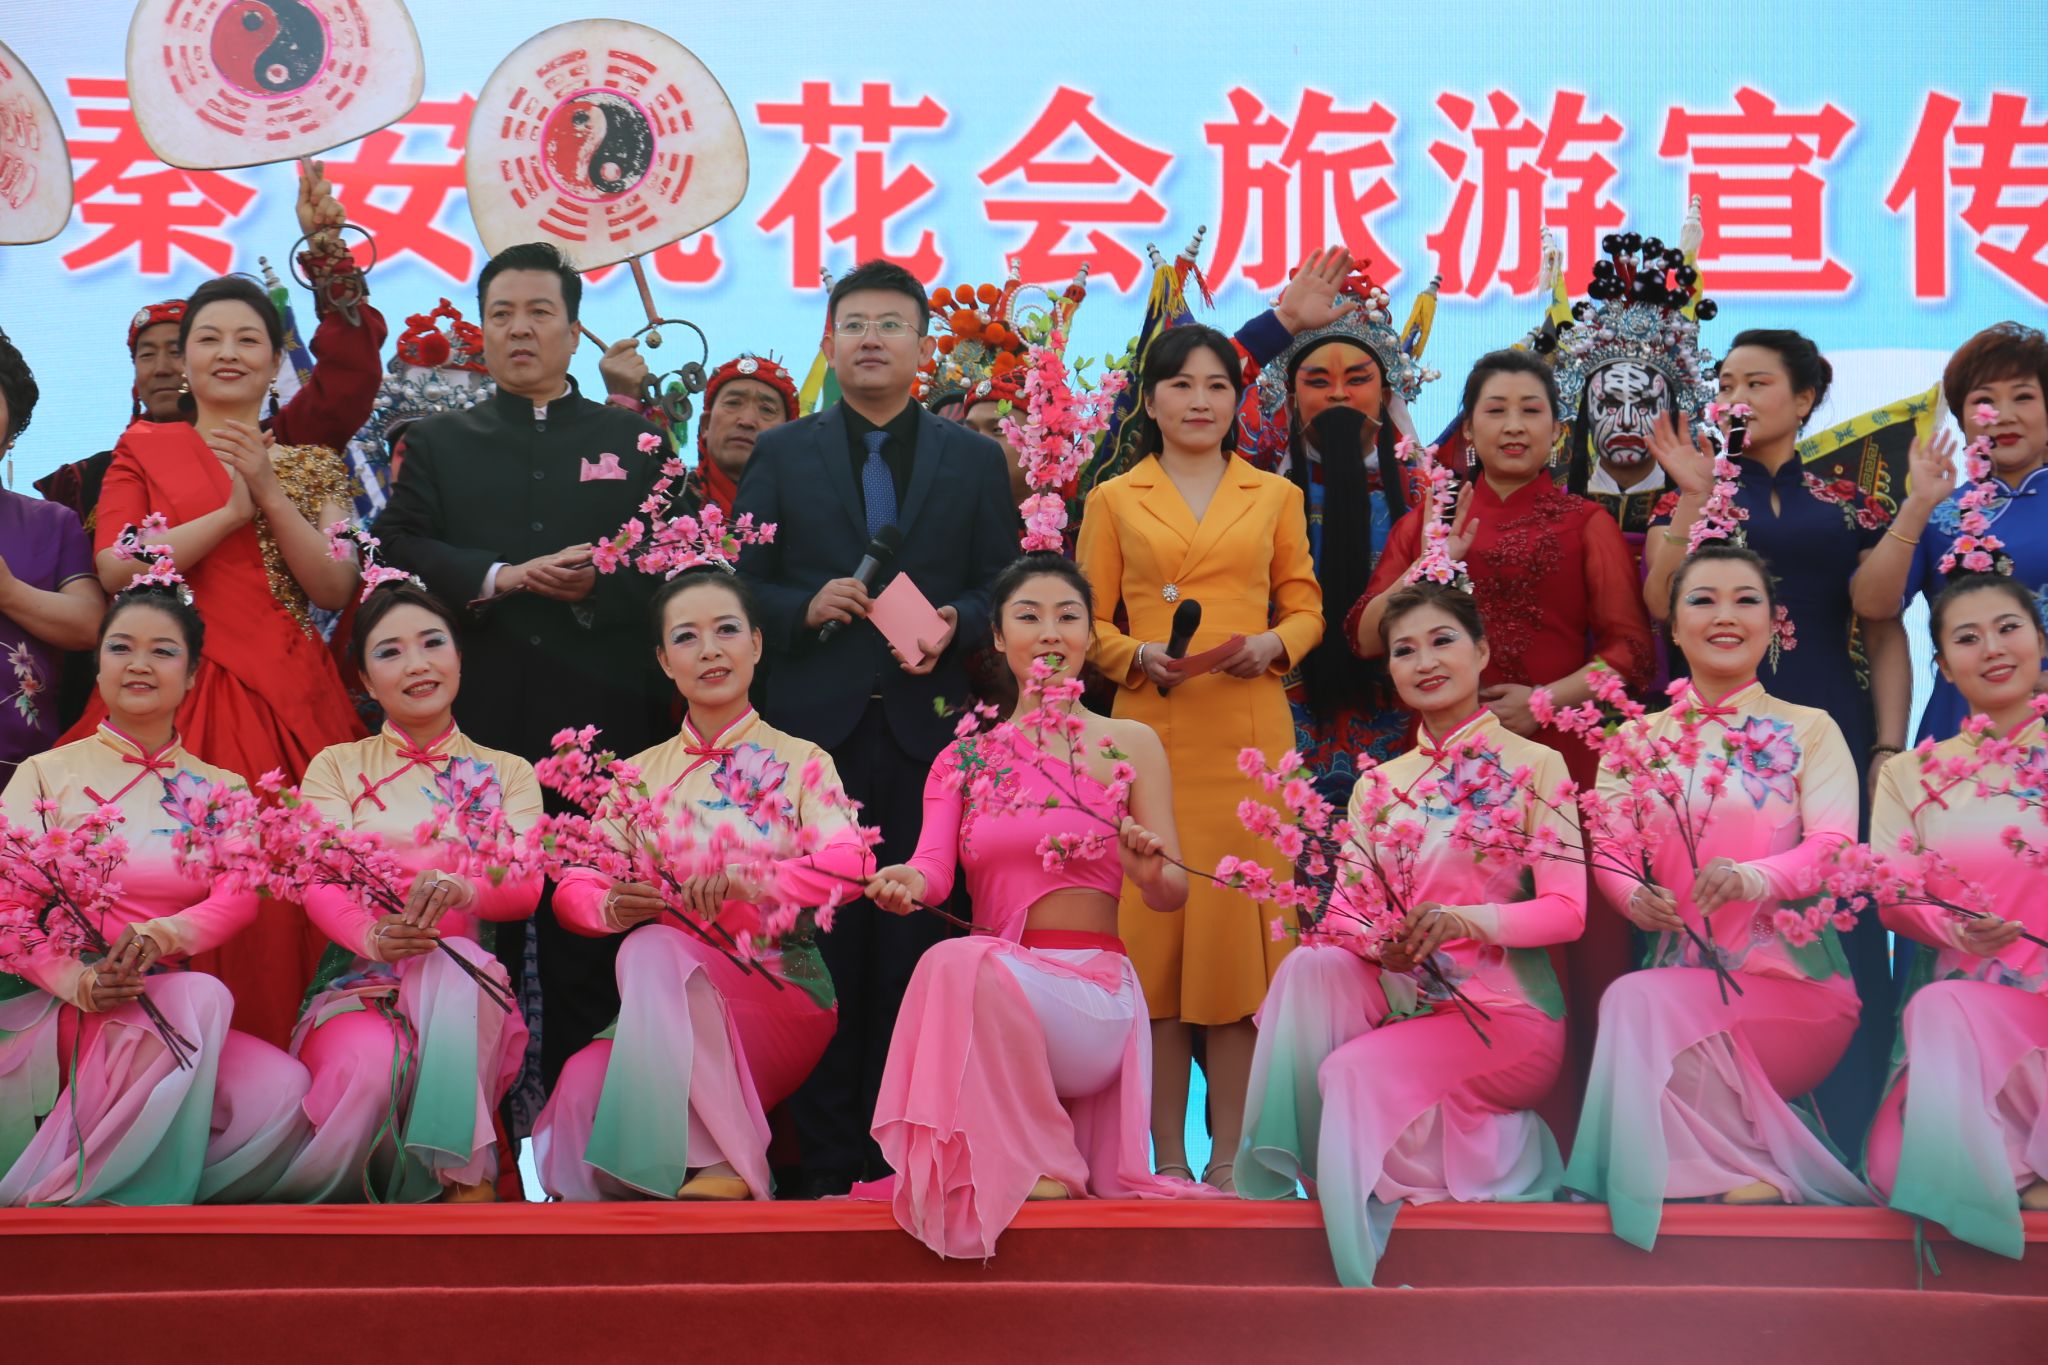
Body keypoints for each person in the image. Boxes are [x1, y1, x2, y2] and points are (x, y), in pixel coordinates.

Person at [735, 258, 1017, 1197]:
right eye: (854, 323)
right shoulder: (783, 453)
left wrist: (956, 623)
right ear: (828, 339)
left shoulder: (971, 459)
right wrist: (801, 606)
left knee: (913, 951)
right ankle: (821, 1170)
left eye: (891, 324)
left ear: (922, 346)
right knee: (819, 951)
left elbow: (1002, 585)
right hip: (809, 739)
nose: (870, 339)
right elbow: (739, 584)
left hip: (927, 739)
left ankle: (906, 1162)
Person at [376, 241, 670, 1089]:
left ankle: (585, 1126)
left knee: (594, 930)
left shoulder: (636, 440)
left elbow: (671, 560)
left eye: (540, 312)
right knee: (469, 937)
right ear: (482, 329)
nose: (519, 329)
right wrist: (500, 576)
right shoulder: (440, 441)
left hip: (606, 721)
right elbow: (397, 542)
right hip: (478, 724)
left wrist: (598, 584)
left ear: (575, 332)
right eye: (501, 313)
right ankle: (475, 1136)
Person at [863, 553, 1216, 1256]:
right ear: (998, 637)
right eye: (1029, 616)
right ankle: (1022, 1159)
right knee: (958, 962)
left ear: (1089, 635)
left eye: (1067, 616)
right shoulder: (962, 758)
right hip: (1000, 986)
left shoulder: (1129, 743)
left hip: (1094, 999)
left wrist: (1149, 873)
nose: (1050, 631)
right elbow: (933, 869)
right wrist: (904, 880)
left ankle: (1045, 1161)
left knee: (958, 962)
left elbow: (1171, 892)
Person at [1238, 581, 1584, 1286]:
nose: (1425, 661)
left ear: (1481, 652)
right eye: (1404, 650)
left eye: (1442, 641)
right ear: (1390, 670)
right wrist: (1382, 944)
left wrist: (1464, 921)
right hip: (1413, 1004)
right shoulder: (1380, 784)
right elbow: (1346, 912)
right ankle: (1319, 1177)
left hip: (1506, 1015)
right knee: (1308, 967)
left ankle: (1353, 1272)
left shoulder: (1534, 764)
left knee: (1347, 1074)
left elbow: (1567, 911)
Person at [1350, 349, 1651, 1130]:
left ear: (1558, 428)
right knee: (1439, 930)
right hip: (1441, 766)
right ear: (1469, 427)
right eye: (1495, 409)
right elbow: (1365, 633)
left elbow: (1629, 652)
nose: (1514, 425)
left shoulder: (1586, 523)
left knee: (1577, 942)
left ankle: (1581, 1139)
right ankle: (1445, 1131)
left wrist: (1545, 702)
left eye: (1531, 410)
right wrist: (1426, 560)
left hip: (1558, 761)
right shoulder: (1431, 521)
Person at [77, 274, 365, 1049]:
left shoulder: (315, 465)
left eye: (248, 339)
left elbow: (336, 582)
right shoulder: (144, 448)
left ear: (275, 360)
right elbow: (117, 563)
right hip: (173, 689)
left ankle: (300, 1066)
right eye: (208, 338)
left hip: (291, 694)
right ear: (185, 361)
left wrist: (267, 489)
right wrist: (229, 512)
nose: (227, 352)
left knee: (294, 885)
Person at [1563, 545, 1873, 1250]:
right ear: (1673, 627)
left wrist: (1751, 878)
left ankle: (1748, 1161)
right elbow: (1611, 851)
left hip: (1793, 990)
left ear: (1775, 622)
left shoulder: (1810, 728)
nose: (1724, 615)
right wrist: (1633, 896)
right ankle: (1739, 1164)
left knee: (1641, 1001)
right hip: (1680, 986)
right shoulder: (1636, 740)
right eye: (1703, 600)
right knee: (1642, 1000)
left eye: (1745, 600)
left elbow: (1834, 847)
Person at [1642, 329, 1909, 1138]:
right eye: (1725, 383)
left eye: (1756, 383)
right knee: (1718, 905)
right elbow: (1657, 599)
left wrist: (1887, 745)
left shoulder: (1849, 502)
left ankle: (1850, 1126)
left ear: (1804, 398)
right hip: (1715, 739)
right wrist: (1694, 495)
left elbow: (1884, 628)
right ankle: (1718, 1128)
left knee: (1839, 909)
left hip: (1830, 723)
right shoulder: (1694, 491)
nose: (1736, 397)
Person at [1075, 322, 1324, 1190]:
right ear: (1150, 400)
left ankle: (1230, 1159)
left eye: (1218, 385)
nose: (1200, 400)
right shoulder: (1114, 497)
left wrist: (1274, 644)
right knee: (1155, 942)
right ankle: (1164, 1159)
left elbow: (1306, 606)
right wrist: (1133, 655)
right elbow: (1086, 622)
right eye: (1181, 384)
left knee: (1237, 941)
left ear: (1237, 401)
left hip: (1249, 735)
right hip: (1150, 729)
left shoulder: (1274, 494)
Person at [536, 567, 874, 1202]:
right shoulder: (636, 776)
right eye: (686, 637)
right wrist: (611, 905)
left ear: (757, 643)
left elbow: (851, 863)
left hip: (778, 985)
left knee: (653, 946)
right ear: (665, 661)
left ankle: (727, 1161)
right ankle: (599, 1237)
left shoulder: (802, 760)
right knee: (582, 1084)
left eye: (726, 630)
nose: (710, 650)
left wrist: (751, 880)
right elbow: (572, 887)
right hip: (665, 1006)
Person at [0, 577, 311, 1205]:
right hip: (60, 1004)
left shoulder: (221, 789)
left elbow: (238, 896)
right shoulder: (47, 773)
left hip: (158, 995)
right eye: (121, 648)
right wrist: (79, 980)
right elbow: (6, 906)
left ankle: (157, 1193)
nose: (139, 664)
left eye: (163, 651)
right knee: (203, 996)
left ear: (192, 675)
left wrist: (159, 935)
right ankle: (91, 1204)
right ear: (98, 666)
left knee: (281, 1094)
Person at [273, 580, 541, 1203]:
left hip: (468, 995)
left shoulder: (507, 773)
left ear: (459, 658)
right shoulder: (336, 768)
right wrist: (373, 934)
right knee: (372, 1067)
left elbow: (525, 887)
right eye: (390, 652)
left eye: (431, 643)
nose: (417, 664)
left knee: (461, 961)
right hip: (363, 986)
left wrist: (460, 890)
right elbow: (319, 879)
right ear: (366, 681)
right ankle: (355, 1207)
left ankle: (460, 1177)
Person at [34, 159, 387, 536]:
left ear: (274, 362)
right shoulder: (100, 474)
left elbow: (348, 378)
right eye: (147, 354)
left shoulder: (282, 444)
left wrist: (328, 254)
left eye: (246, 339)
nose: (163, 367)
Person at [1865, 574, 2048, 1258]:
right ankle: (2020, 1166)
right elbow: (1893, 895)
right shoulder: (1910, 775)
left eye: (2008, 628)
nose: (1992, 648)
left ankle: (2017, 1165)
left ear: (2040, 641)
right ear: (1941, 666)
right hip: (1969, 1015)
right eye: (1968, 639)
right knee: (1894, 1171)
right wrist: (1957, 930)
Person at [1234, 251, 1441, 803]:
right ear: (1291, 396)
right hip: (1274, 727)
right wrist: (1281, 325)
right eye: (1318, 381)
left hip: (1403, 733)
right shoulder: (1252, 486)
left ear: (1387, 392)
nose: (1339, 395)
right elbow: (1192, 389)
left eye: (1357, 379)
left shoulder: (1429, 501)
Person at [1851, 321, 2048, 744]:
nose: (2004, 415)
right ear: (1961, 420)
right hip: (1959, 731)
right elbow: (1871, 605)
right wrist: (1917, 506)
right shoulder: (1940, 513)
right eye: (1984, 400)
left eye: (2023, 396)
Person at [0, 330, 102, 782]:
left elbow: (91, 624)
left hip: (19, 777)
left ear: (11, 431)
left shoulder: (51, 523)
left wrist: (10, 593)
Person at [680, 355, 800, 518]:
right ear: (706, 425)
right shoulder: (664, 503)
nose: (747, 421)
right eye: (733, 403)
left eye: (767, 409)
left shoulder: (810, 518)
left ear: (788, 437)